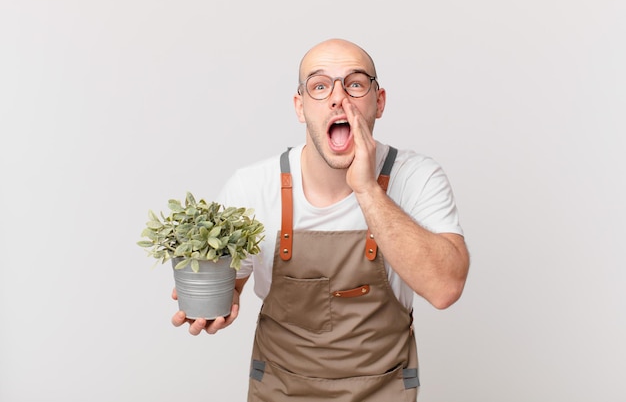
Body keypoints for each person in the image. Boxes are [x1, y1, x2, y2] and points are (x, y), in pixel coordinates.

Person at [171, 38, 470, 401]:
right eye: (320, 86)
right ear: (300, 107)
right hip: (280, 392)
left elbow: (445, 288)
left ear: (380, 101)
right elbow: (230, 284)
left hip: (383, 392)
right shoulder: (253, 187)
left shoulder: (417, 177)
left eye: (356, 83)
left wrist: (367, 189)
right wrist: (213, 301)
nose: (338, 98)